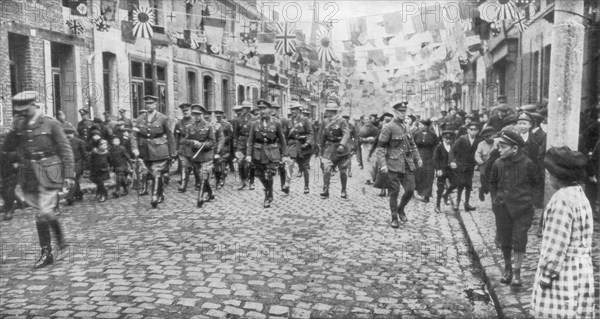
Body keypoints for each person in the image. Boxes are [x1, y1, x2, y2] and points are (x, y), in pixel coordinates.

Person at [3, 91, 75, 268]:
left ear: (34, 106)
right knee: (43, 212)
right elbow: (7, 148)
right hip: (29, 174)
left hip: (50, 170)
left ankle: (47, 252)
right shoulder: (20, 124)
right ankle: (60, 241)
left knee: (42, 212)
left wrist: (69, 174)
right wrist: (13, 130)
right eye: (19, 111)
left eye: (25, 110)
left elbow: (65, 149)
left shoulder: (51, 123)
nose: (22, 113)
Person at [532, 146, 595, 318]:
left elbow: (555, 247)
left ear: (558, 176)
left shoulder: (561, 201)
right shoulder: (580, 194)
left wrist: (545, 276)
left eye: (550, 173)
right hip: (582, 270)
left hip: (564, 273)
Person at [489, 130, 538, 286]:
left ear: (515, 148)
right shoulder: (498, 163)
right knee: (505, 240)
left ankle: (517, 271)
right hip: (502, 208)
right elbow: (493, 184)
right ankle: (508, 268)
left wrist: (529, 202)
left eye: (503, 147)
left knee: (519, 239)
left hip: (522, 210)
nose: (499, 150)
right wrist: (495, 201)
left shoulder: (528, 164)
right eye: (499, 146)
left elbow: (536, 185)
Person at [375, 101, 422, 228]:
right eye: (400, 111)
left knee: (410, 189)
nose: (403, 114)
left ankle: (401, 209)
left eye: (404, 111)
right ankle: (394, 217)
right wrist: (383, 164)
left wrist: (418, 158)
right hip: (393, 165)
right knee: (394, 192)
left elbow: (412, 145)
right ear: (395, 112)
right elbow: (380, 149)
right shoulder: (388, 127)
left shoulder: (406, 127)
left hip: (407, 164)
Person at [131, 95, 176, 208]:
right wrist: (135, 148)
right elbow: (134, 135)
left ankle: (154, 196)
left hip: (159, 150)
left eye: (150, 103)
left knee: (156, 172)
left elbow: (170, 136)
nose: (148, 106)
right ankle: (160, 194)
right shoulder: (140, 119)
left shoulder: (163, 118)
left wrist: (173, 152)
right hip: (145, 151)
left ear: (155, 104)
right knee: (154, 173)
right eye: (147, 104)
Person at [246, 99, 288, 208]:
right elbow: (250, 140)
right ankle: (270, 189)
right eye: (260, 109)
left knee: (269, 175)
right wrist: (248, 155)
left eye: (264, 109)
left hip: (272, 152)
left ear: (269, 110)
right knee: (260, 175)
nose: (262, 111)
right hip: (258, 153)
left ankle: (267, 197)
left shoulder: (276, 123)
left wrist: (285, 155)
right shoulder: (254, 123)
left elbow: (282, 140)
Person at [181, 104, 216, 207]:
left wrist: (202, 145)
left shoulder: (209, 126)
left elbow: (212, 141)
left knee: (203, 175)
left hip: (206, 155)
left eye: (198, 114)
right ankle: (210, 193)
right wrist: (193, 142)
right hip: (195, 156)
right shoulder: (189, 127)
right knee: (201, 178)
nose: (196, 117)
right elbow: (184, 140)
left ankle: (200, 198)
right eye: (194, 114)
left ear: (202, 115)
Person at [444, 121, 481, 212]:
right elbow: (452, 150)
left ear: (478, 131)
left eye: (475, 130)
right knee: (460, 183)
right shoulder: (462, 139)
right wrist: (451, 161)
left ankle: (467, 204)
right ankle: (457, 203)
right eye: (471, 130)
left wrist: (478, 163)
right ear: (468, 130)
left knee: (468, 184)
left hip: (470, 165)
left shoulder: (478, 140)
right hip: (460, 164)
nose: (473, 132)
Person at [318, 102, 352, 199]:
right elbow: (323, 135)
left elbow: (346, 134)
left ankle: (343, 190)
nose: (327, 113)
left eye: (328, 111)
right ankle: (326, 189)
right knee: (326, 168)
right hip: (329, 148)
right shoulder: (325, 121)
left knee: (343, 171)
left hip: (341, 149)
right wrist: (321, 148)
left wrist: (342, 144)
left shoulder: (342, 121)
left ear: (332, 111)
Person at [286, 102, 314, 194]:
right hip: (293, 146)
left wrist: (307, 143)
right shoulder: (289, 121)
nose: (292, 111)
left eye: (294, 109)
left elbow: (310, 133)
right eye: (291, 109)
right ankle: (287, 184)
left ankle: (306, 186)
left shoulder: (305, 120)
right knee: (290, 164)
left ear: (299, 110)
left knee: (304, 167)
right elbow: (286, 135)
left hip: (303, 147)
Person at [413, 118, 439, 203]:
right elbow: (412, 145)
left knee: (428, 176)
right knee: (418, 174)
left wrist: (435, 157)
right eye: (421, 125)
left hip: (429, 157)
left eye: (424, 125)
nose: (423, 127)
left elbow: (436, 146)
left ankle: (426, 195)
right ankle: (416, 191)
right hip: (418, 156)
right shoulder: (416, 134)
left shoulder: (433, 134)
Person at [231, 101, 254, 190]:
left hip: (250, 142)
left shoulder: (254, 119)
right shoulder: (237, 119)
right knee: (240, 162)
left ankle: (251, 182)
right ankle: (242, 181)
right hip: (241, 142)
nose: (245, 110)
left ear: (249, 109)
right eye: (244, 108)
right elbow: (235, 133)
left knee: (251, 163)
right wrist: (235, 145)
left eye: (247, 108)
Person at [433, 130, 456, 213]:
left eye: (450, 139)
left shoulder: (453, 146)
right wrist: (438, 169)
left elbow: (456, 156)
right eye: (446, 139)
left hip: (451, 170)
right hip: (441, 170)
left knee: (456, 183)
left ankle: (446, 195)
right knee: (440, 188)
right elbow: (435, 159)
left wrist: (454, 163)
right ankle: (438, 206)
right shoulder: (439, 147)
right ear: (443, 138)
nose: (448, 140)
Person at [64, 123, 87, 205]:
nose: (68, 135)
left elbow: (84, 154)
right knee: (75, 180)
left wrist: (86, 166)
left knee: (73, 179)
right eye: (66, 133)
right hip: (68, 163)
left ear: (73, 133)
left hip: (78, 163)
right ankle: (79, 194)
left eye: (69, 133)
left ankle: (69, 197)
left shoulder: (79, 142)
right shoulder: (63, 142)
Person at [174, 103, 195, 192]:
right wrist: (176, 149)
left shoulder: (195, 121)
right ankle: (183, 185)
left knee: (196, 167)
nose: (185, 112)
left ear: (191, 111)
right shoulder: (179, 123)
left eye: (187, 110)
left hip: (194, 148)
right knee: (184, 166)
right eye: (183, 111)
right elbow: (176, 137)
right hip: (184, 149)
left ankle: (198, 182)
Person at [475, 126, 496, 201]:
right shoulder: (481, 144)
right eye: (487, 137)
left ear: (494, 135)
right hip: (485, 167)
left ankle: (494, 200)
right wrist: (481, 162)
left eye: (491, 136)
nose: (489, 138)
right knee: (485, 186)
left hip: (496, 166)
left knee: (494, 184)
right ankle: (482, 190)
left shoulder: (498, 142)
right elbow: (477, 155)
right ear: (484, 137)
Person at [213, 110, 232, 190]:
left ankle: (222, 179)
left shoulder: (227, 125)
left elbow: (230, 136)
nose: (218, 118)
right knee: (216, 164)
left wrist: (223, 140)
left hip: (225, 147)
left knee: (222, 162)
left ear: (222, 116)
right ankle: (218, 179)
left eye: (219, 117)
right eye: (217, 117)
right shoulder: (213, 125)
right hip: (215, 146)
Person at [357, 115, 379, 184]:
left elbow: (377, 137)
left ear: (370, 120)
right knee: (366, 161)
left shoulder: (375, 129)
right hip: (365, 146)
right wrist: (365, 139)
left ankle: (374, 177)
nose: (367, 121)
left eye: (368, 119)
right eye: (365, 120)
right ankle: (368, 179)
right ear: (363, 121)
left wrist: (373, 139)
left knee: (373, 161)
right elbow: (359, 138)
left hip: (373, 146)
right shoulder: (361, 129)